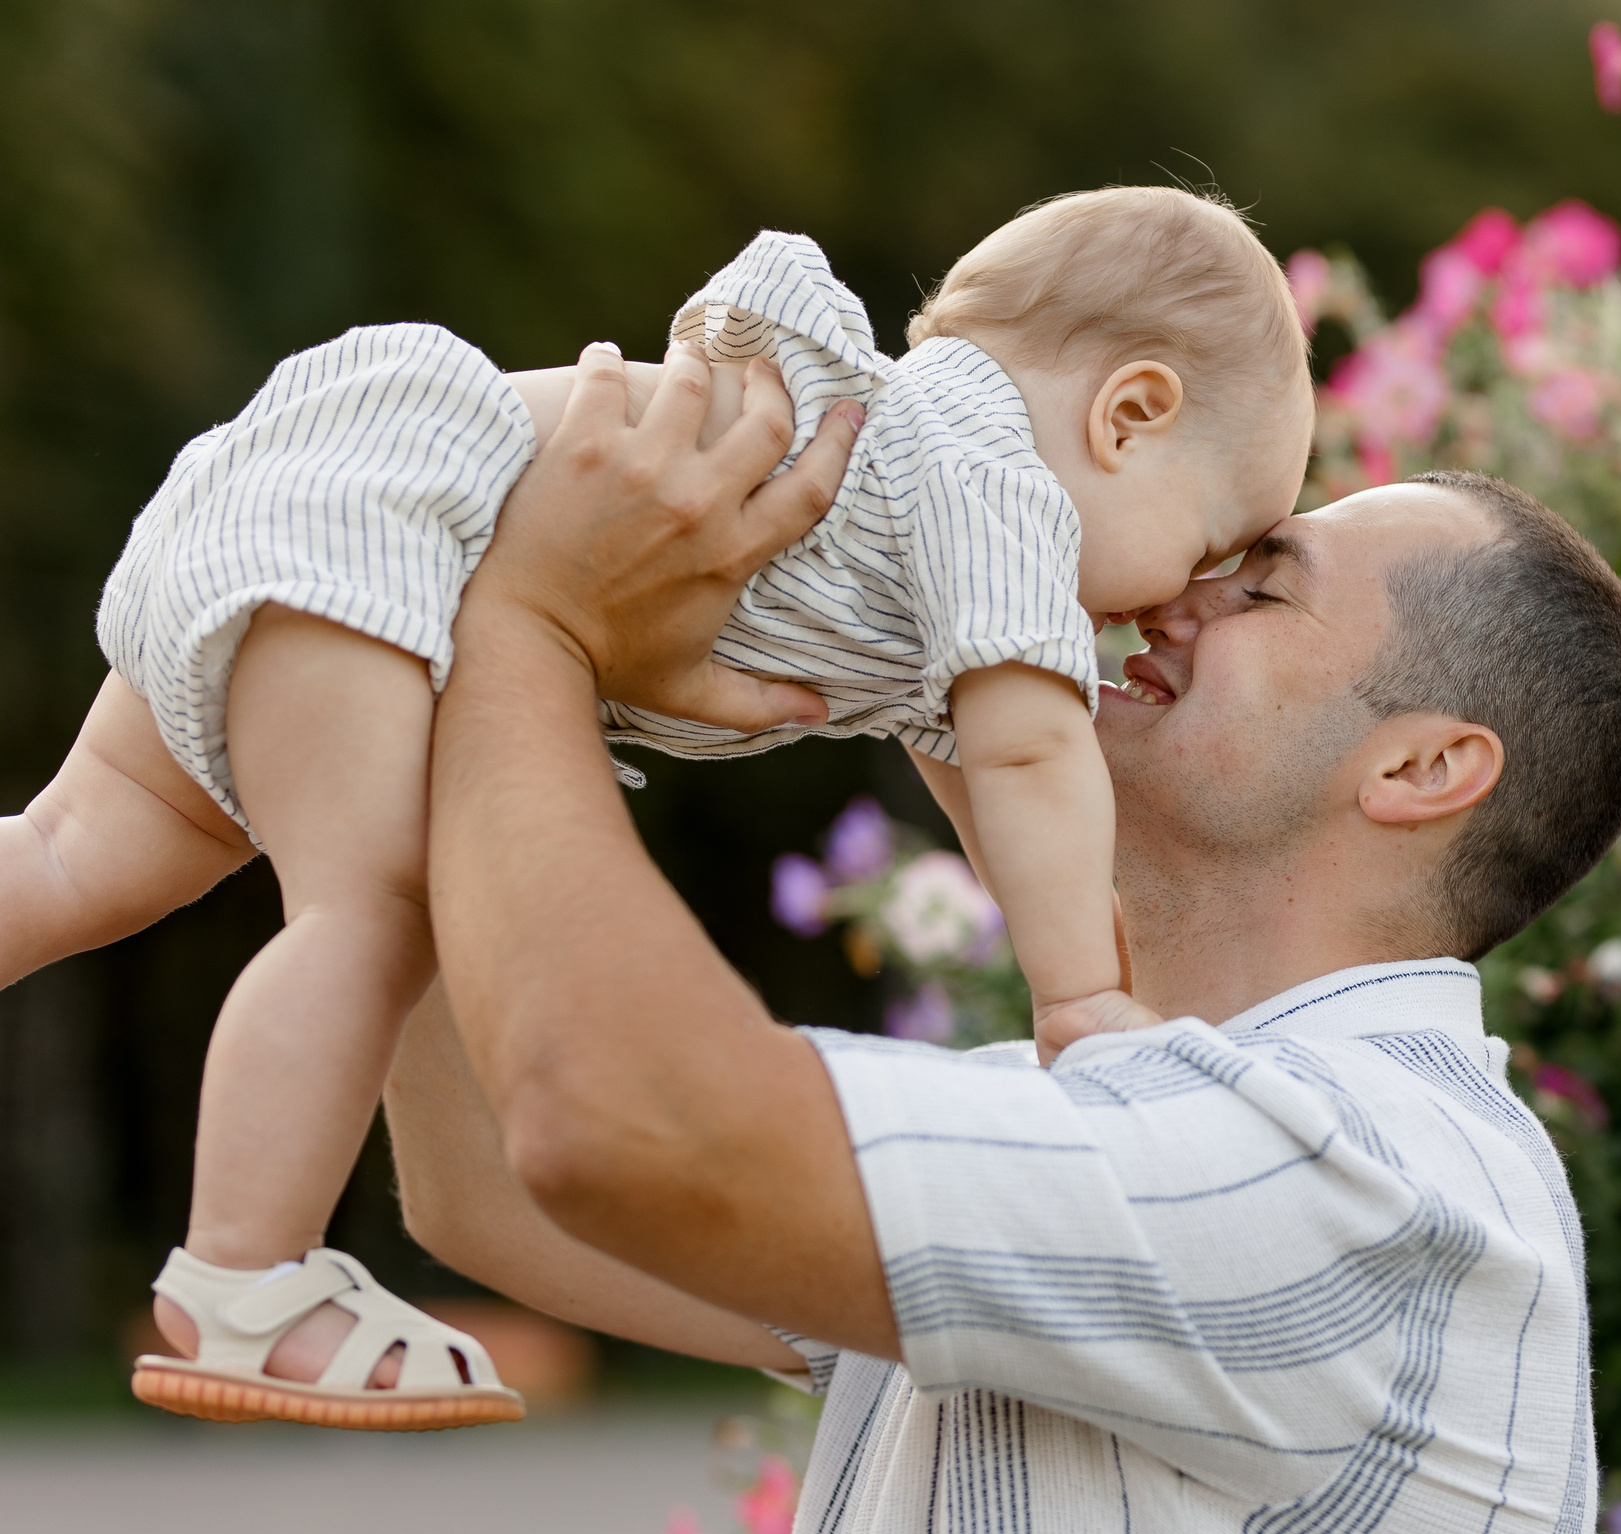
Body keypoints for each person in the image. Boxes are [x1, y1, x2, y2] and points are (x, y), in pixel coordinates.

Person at [385, 338, 1621, 1534]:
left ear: (1419, 767)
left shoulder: (1366, 1174)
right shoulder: (1139, 1125)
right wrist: (423, 661)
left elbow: (613, 1124)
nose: (1175, 591)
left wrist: (525, 621)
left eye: (1260, 586)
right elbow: (485, 1190)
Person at [0, 188, 1311, 1429]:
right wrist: (1081, 1000)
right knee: (376, 903)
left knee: (77, 851)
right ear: (1129, 416)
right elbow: (1031, 763)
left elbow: (995, 795)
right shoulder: (1000, 485)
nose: (1171, 607)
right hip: (400, 524)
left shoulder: (922, 514)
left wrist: (1101, 939)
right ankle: (242, 1276)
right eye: (1206, 547)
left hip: (335, 468)